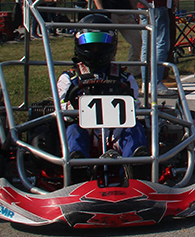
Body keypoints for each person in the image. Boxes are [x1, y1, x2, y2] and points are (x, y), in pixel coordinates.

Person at [59, 15, 147, 181]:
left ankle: (136, 169)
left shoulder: (125, 78)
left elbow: (135, 108)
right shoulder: (69, 79)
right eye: (90, 44)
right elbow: (62, 109)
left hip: (118, 133)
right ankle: (78, 168)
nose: (95, 49)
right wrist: (77, 106)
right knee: (73, 130)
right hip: (86, 132)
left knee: (135, 129)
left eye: (101, 43)